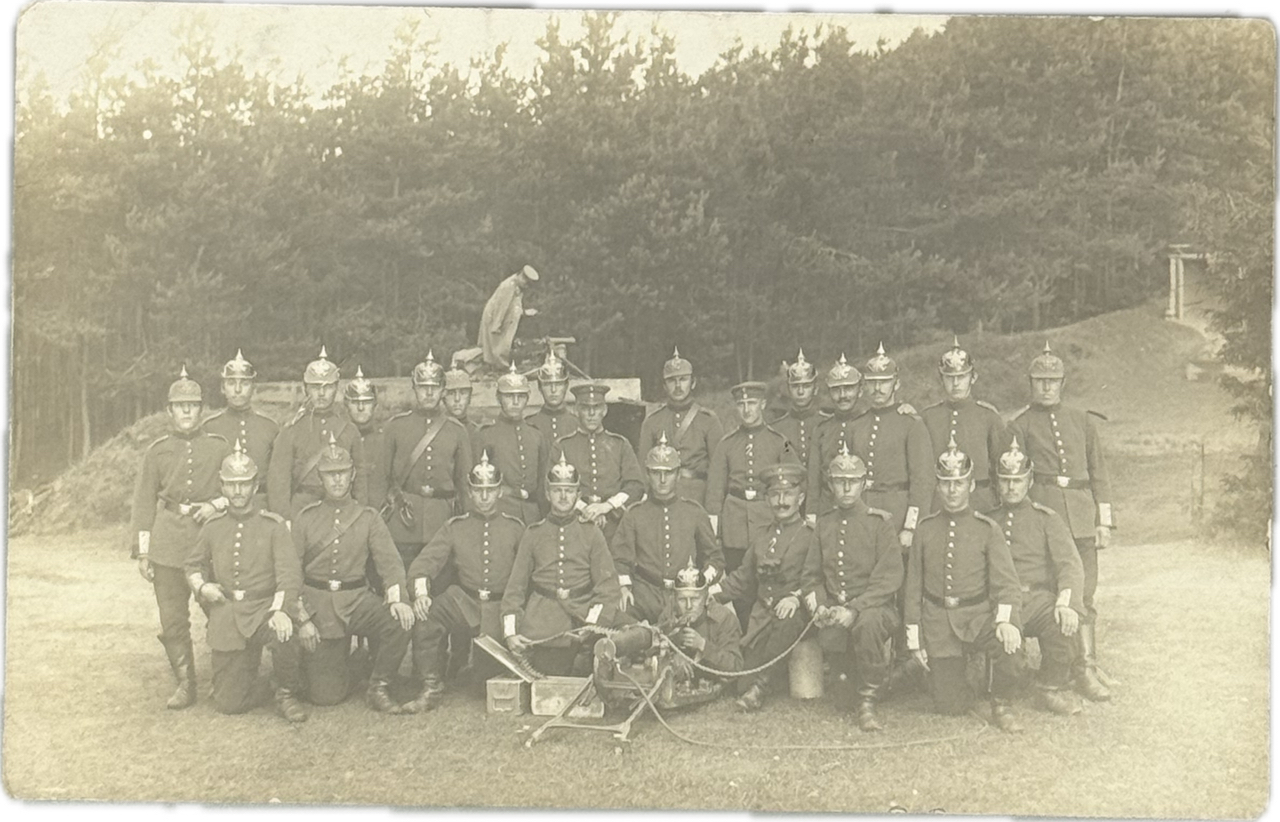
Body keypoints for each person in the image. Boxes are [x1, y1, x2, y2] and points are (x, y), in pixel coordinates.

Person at [1008, 342, 1115, 702]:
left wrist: (1105, 521)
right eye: (1040, 380)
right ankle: (1059, 665)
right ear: (1031, 383)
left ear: (1063, 382)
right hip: (1047, 517)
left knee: (1085, 592)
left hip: (1083, 517)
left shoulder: (1082, 420)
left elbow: (1099, 473)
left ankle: (1086, 667)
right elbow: (1017, 479)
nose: (1046, 387)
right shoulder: (1020, 425)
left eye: (1053, 380)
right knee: (1053, 592)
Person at [903, 437, 1024, 732]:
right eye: (945, 483)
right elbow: (913, 588)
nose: (952, 490)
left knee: (1009, 648)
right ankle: (960, 676)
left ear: (971, 486)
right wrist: (914, 639)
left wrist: (1006, 622)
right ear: (938, 486)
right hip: (939, 624)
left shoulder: (987, 529)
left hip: (977, 617)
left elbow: (1007, 583)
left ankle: (1002, 703)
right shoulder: (926, 529)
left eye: (959, 483)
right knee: (950, 706)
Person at [130, 366, 231, 710]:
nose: (187, 411)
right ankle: (186, 683)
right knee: (172, 618)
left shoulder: (219, 447)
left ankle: (226, 677)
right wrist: (144, 553)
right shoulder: (157, 451)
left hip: (208, 541)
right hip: (168, 543)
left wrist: (216, 504)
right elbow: (144, 503)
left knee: (219, 609)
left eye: (193, 405)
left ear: (202, 409)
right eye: (180, 405)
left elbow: (238, 488)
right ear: (169, 411)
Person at [184, 441, 307, 722]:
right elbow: (192, 565)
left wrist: (280, 610)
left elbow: (289, 575)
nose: (238, 491)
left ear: (254, 486)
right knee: (228, 704)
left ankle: (287, 692)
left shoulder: (273, 525)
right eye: (231, 484)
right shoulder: (212, 527)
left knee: (283, 632)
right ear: (223, 487)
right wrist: (202, 586)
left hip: (265, 608)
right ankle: (262, 683)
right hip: (228, 613)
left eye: (244, 484)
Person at [293, 437, 413, 712]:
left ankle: (379, 686)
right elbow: (291, 572)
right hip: (318, 606)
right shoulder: (305, 518)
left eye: (342, 473)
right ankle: (354, 665)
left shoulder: (368, 517)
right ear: (320, 479)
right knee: (326, 697)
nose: (337, 481)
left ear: (352, 475)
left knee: (399, 621)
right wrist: (301, 617)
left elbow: (390, 565)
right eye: (330, 475)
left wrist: (397, 599)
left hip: (356, 601)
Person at [401, 451, 525, 713]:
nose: (483, 496)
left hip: (499, 608)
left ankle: (474, 667)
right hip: (464, 601)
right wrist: (422, 592)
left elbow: (526, 576)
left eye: (490, 490)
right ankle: (431, 685)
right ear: (469, 492)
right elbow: (424, 564)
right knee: (427, 615)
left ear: (500, 492)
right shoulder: (455, 527)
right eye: (478, 490)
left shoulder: (516, 529)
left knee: (482, 686)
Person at [710, 463, 821, 713]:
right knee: (740, 683)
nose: (781, 502)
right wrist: (707, 594)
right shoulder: (762, 536)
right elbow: (742, 578)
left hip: (798, 615)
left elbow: (822, 577)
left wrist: (796, 597)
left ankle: (761, 688)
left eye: (788, 494)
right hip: (763, 618)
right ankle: (759, 682)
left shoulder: (812, 536)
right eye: (774, 495)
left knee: (787, 620)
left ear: (800, 497)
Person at [501, 454, 624, 676]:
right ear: (548, 494)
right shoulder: (533, 534)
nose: (564, 496)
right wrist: (510, 632)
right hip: (543, 621)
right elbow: (515, 589)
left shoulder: (591, 533)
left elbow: (607, 587)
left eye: (569, 490)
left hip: (584, 616)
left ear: (578, 495)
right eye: (558, 490)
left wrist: (593, 625)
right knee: (552, 669)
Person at [988, 437, 1085, 716]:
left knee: (1063, 627)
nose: (1011, 486)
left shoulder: (1046, 519)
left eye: (1017, 480)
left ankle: (1048, 688)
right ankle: (1002, 692)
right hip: (1001, 602)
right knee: (1007, 652)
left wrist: (1066, 602)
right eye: (1005, 480)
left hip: (1038, 599)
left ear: (1029, 482)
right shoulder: (987, 519)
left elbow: (1069, 565)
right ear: (997, 482)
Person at [812, 444, 903, 732]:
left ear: (864, 484)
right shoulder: (823, 524)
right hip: (837, 611)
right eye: (840, 482)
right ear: (831, 485)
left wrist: (854, 609)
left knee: (868, 624)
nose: (847, 488)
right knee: (841, 697)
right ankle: (872, 680)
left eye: (853, 482)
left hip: (876, 611)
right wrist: (821, 604)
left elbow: (889, 578)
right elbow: (811, 575)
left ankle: (869, 700)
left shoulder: (880, 522)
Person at [373, 351, 473, 572]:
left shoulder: (456, 431)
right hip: (403, 520)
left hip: (442, 521)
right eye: (423, 387)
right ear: (414, 388)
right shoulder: (395, 427)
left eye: (434, 388)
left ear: (443, 391)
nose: (429, 393)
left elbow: (464, 486)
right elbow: (382, 479)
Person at [611, 433, 725, 624]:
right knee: (620, 626)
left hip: (684, 596)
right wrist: (624, 587)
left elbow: (715, 558)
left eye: (668, 472)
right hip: (645, 593)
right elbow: (620, 559)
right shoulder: (634, 514)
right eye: (656, 473)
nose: (662, 479)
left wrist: (700, 584)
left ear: (678, 474)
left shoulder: (694, 512)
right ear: (647, 475)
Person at [706, 381, 801, 582]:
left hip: (767, 519)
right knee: (737, 579)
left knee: (767, 579)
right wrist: (715, 531)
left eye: (752, 403)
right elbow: (715, 491)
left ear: (763, 404)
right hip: (734, 524)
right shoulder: (726, 444)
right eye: (741, 404)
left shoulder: (779, 441)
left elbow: (797, 479)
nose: (747, 409)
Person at [848, 343, 934, 551]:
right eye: (872, 383)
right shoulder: (856, 425)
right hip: (862, 513)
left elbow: (922, 481)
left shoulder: (911, 424)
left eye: (884, 382)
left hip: (897, 514)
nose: (877, 388)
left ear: (896, 384)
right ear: (865, 386)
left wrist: (911, 527)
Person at [267, 347, 367, 521]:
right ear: (306, 389)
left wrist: (359, 518)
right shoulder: (291, 431)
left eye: (327, 387)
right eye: (315, 387)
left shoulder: (349, 430)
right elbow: (278, 482)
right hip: (301, 512)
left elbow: (360, 481)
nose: (321, 393)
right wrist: (284, 520)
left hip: (342, 514)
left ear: (336, 388)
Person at [921, 337, 1006, 513]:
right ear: (941, 379)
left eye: (962, 376)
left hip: (981, 503)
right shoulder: (928, 417)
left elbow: (999, 465)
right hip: (939, 503)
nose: (956, 383)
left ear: (973, 377)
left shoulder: (988, 416)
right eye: (950, 378)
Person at [556, 382, 644, 543]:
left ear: (604, 410)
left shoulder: (620, 444)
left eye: (596, 408)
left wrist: (607, 507)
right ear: (576, 410)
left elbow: (635, 485)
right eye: (585, 408)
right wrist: (586, 510)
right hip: (575, 525)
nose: (591, 413)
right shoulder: (563, 446)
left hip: (615, 527)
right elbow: (552, 486)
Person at [637, 347, 723, 508]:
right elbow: (643, 470)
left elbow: (718, 472)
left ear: (693, 382)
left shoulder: (708, 421)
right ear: (664, 385)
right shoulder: (652, 422)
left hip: (697, 497)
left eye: (683, 379)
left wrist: (713, 509)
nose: (678, 386)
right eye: (671, 380)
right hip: (660, 499)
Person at [202, 349, 278, 508]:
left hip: (260, 508)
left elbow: (277, 478)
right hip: (222, 509)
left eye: (244, 383)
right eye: (231, 383)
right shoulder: (209, 427)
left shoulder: (269, 427)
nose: (237, 389)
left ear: (253, 388)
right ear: (223, 388)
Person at [476, 364, 550, 524]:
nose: (515, 402)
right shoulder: (487, 435)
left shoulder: (536, 435)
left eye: (521, 396)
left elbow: (542, 484)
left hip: (532, 515)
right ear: (498, 398)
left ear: (527, 398)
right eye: (509, 396)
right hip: (500, 514)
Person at [661, 558, 744, 680]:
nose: (689, 606)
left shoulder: (724, 619)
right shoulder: (670, 614)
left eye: (695, 599)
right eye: (682, 600)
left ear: (706, 598)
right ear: (675, 599)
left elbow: (735, 667)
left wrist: (703, 646)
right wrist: (673, 658)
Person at [807, 355, 863, 515]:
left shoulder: (868, 424)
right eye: (836, 390)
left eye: (849, 388)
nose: (843, 395)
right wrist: (811, 514)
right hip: (827, 509)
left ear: (860, 391)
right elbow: (814, 481)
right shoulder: (822, 429)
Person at [770, 349, 830, 471]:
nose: (801, 392)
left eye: (806, 386)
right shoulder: (776, 429)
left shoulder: (828, 425)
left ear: (816, 389)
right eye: (795, 386)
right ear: (788, 389)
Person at [479, 264, 539, 369]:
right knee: (499, 345)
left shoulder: (517, 286)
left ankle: (500, 365)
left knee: (504, 343)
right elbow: (501, 307)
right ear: (521, 275)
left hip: (504, 317)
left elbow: (514, 306)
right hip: (495, 317)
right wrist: (496, 325)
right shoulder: (508, 286)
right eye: (525, 281)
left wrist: (524, 312)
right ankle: (501, 367)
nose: (526, 285)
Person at [344, 366, 384, 502]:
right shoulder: (338, 437)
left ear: (375, 404)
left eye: (366, 402)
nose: (361, 408)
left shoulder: (386, 438)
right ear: (346, 404)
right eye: (355, 402)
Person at [527, 350, 578, 445]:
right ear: (540, 388)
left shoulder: (577, 424)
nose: (553, 390)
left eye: (558, 384)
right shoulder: (530, 424)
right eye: (547, 385)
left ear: (566, 386)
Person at [442, 360, 484, 441]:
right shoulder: (436, 431)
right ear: (443, 398)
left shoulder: (478, 432)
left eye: (463, 393)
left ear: (470, 397)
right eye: (451, 394)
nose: (457, 399)